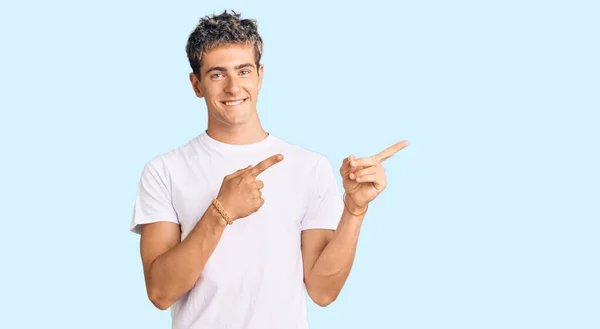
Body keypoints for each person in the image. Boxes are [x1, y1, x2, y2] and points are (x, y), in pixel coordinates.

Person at [130, 9, 408, 329]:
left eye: (244, 71)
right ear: (196, 84)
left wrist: (355, 210)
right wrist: (221, 212)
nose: (234, 88)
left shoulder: (309, 167)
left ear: (260, 75)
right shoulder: (164, 170)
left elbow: (322, 290)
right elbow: (161, 293)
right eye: (218, 74)